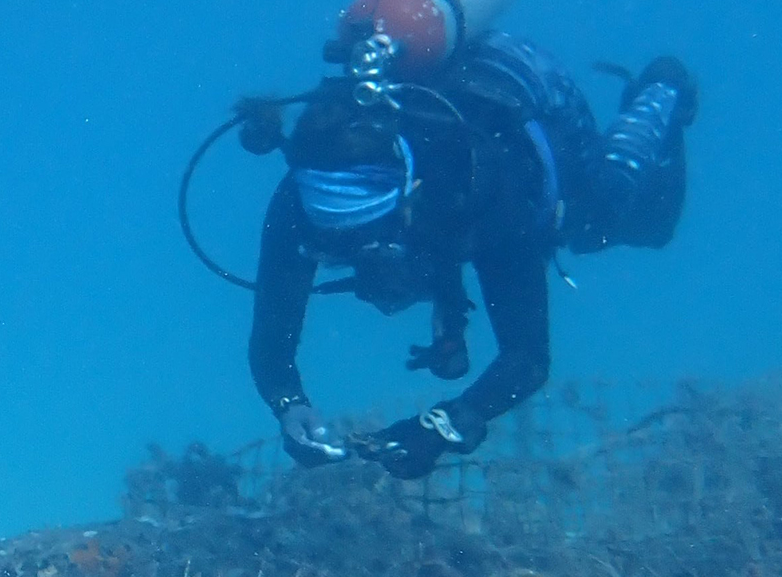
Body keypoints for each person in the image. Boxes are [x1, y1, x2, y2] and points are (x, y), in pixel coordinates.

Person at [244, 17, 698, 479]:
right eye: (333, 243)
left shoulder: (485, 194)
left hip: (522, 83)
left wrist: (444, 426)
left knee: (612, 221)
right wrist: (289, 405)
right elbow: (271, 338)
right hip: (441, 105)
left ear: (409, 194)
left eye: (369, 240)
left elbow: (527, 358)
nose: (358, 257)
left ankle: (662, 87)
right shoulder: (296, 209)